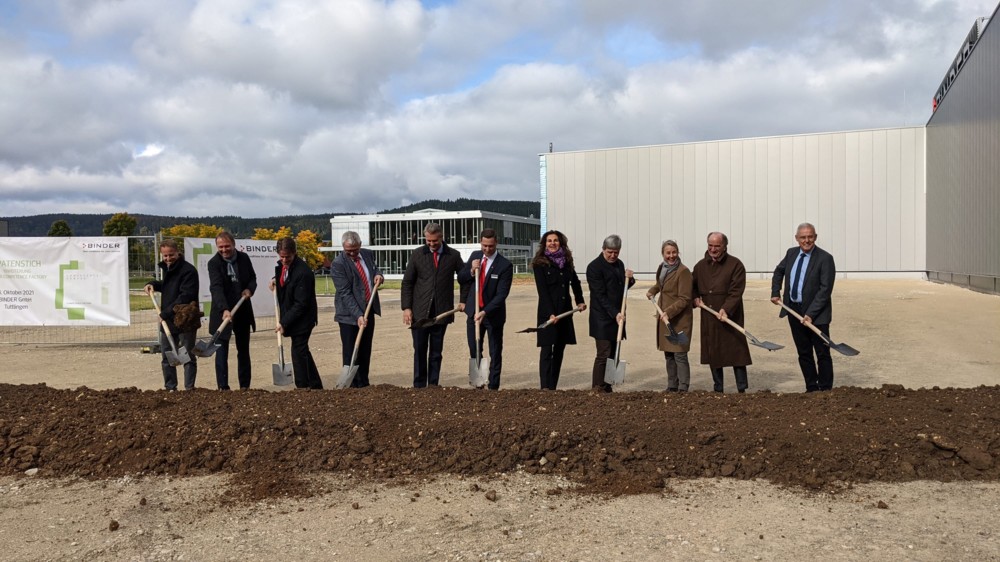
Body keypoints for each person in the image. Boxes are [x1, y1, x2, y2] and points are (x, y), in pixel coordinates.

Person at [770, 222, 837, 392]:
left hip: (817, 314)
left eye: (810, 237)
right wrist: (775, 291)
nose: (807, 240)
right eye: (803, 237)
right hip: (794, 310)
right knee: (804, 352)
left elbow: (825, 290)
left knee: (822, 353)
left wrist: (811, 314)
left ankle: (825, 388)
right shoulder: (791, 253)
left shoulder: (825, 258)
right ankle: (811, 387)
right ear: (797, 238)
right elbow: (779, 271)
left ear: (815, 237)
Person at [401, 222, 464, 387]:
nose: (431, 244)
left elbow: (465, 280)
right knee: (420, 351)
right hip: (419, 313)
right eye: (428, 241)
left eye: (434, 241)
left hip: (441, 313)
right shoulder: (417, 255)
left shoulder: (453, 256)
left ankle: (433, 386)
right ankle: (419, 386)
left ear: (441, 237)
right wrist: (407, 308)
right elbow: (407, 282)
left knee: (436, 353)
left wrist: (463, 300)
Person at [692, 232, 752, 393]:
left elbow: (736, 291)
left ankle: (742, 388)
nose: (713, 249)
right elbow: (692, 287)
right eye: (710, 245)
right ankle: (718, 387)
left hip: (730, 315)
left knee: (737, 352)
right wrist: (695, 299)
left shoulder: (735, 265)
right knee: (714, 352)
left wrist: (726, 308)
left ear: (725, 246)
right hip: (709, 316)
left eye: (717, 246)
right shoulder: (699, 266)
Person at [457, 228, 513, 390]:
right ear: (480, 243)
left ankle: (493, 386)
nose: (487, 250)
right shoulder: (475, 257)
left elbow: (502, 295)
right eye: (484, 246)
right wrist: (470, 271)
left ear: (496, 243)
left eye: (490, 246)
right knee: (474, 349)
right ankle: (478, 383)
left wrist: (485, 311)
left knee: (495, 351)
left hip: (492, 315)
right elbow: (461, 279)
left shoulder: (505, 265)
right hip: (473, 313)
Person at [532, 230, 586, 390]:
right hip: (548, 313)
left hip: (564, 311)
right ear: (545, 244)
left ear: (561, 243)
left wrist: (580, 300)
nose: (553, 243)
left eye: (556, 240)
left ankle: (553, 386)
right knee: (547, 349)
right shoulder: (539, 264)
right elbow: (542, 291)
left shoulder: (566, 262)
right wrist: (550, 313)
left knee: (560, 349)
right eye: (549, 241)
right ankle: (545, 388)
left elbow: (575, 282)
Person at [145, 238, 199, 391]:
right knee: (167, 355)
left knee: (187, 355)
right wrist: (152, 284)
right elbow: (168, 287)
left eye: (171, 255)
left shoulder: (188, 271)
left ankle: (189, 388)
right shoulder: (169, 269)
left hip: (186, 318)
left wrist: (165, 313)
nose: (168, 259)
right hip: (168, 320)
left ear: (178, 253)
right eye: (165, 256)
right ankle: (170, 387)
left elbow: (185, 295)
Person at [332, 231, 384, 388]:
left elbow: (374, 270)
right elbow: (345, 293)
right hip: (348, 315)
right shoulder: (338, 264)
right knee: (351, 352)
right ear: (343, 247)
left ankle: (364, 383)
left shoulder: (368, 254)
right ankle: (352, 386)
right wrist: (358, 315)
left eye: (355, 249)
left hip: (369, 310)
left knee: (365, 350)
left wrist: (379, 275)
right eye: (349, 251)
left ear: (360, 245)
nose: (353, 253)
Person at [206, 231, 256, 390]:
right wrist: (224, 309)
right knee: (221, 352)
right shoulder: (213, 263)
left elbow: (252, 278)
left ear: (234, 245)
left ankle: (245, 387)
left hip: (242, 310)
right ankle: (223, 387)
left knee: (243, 351)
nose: (224, 250)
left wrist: (249, 289)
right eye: (220, 247)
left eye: (227, 246)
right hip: (223, 313)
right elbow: (216, 287)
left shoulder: (244, 258)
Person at [586, 234, 635, 393]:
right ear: (603, 249)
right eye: (610, 252)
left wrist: (630, 279)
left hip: (617, 317)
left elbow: (622, 287)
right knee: (604, 352)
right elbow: (600, 296)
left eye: (616, 252)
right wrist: (615, 313)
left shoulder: (619, 264)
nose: (613, 255)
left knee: (614, 352)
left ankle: (607, 386)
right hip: (602, 317)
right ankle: (597, 387)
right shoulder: (594, 267)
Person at [271, 237, 322, 389]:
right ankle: (315, 385)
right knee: (303, 350)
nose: (284, 260)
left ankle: (302, 387)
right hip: (293, 317)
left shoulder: (303, 272)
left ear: (295, 253)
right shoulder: (283, 266)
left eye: (288, 256)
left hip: (304, 319)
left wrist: (283, 322)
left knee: (298, 352)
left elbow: (301, 304)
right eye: (281, 256)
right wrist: (275, 280)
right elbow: (286, 281)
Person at [646, 240, 693, 392]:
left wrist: (669, 312)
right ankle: (672, 385)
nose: (671, 256)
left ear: (678, 252)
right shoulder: (662, 267)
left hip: (679, 319)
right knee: (669, 354)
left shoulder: (683, 271)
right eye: (668, 253)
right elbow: (661, 285)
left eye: (674, 252)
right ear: (663, 254)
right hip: (665, 317)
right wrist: (653, 291)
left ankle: (683, 387)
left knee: (679, 354)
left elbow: (685, 298)